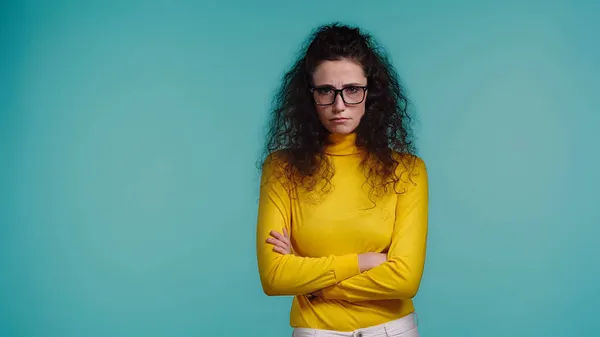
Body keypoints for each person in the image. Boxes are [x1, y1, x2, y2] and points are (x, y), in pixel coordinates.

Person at [255, 23, 428, 337]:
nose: (339, 105)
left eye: (352, 90)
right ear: (310, 96)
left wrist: (313, 284)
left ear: (370, 93)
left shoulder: (408, 170)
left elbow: (405, 278)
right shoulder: (281, 168)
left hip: (392, 331)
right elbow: (274, 277)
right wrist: (362, 261)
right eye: (326, 91)